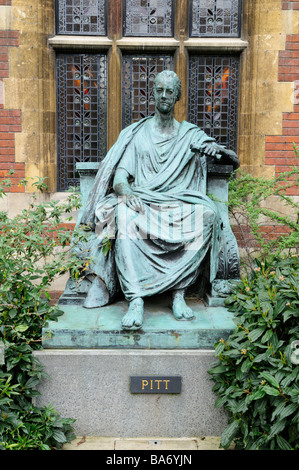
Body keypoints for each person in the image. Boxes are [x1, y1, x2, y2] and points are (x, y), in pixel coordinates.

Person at [78, 70, 239, 330]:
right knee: (122, 215)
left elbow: (233, 159)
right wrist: (126, 193)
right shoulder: (139, 134)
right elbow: (120, 176)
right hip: (144, 202)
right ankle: (136, 298)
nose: (164, 96)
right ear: (152, 94)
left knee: (207, 216)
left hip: (178, 203)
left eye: (169, 91)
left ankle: (178, 293)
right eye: (159, 90)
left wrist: (216, 152)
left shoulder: (190, 134)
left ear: (177, 97)